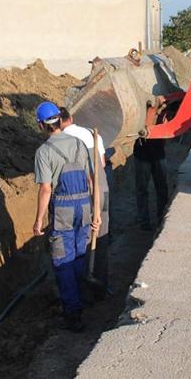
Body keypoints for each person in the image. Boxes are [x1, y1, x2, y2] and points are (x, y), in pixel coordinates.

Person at [33, 101, 99, 332]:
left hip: (62, 212)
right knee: (79, 256)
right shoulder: (80, 144)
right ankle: (82, 299)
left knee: (63, 262)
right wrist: (95, 210)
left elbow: (45, 189)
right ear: (60, 120)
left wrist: (39, 220)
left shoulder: (44, 152)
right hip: (84, 207)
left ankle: (73, 314)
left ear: (42, 125)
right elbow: (92, 179)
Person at [57, 107, 110, 297]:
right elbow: (102, 164)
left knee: (83, 239)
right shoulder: (91, 133)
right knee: (101, 235)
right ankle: (101, 284)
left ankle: (83, 287)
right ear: (71, 118)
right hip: (103, 191)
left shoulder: (62, 141)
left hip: (84, 194)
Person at [134, 137, 168, 231]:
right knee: (142, 189)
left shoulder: (162, 121)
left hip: (159, 153)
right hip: (141, 154)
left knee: (162, 187)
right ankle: (143, 220)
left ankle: (162, 217)